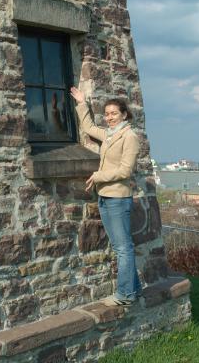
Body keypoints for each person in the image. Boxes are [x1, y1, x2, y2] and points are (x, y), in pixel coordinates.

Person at [70, 86, 142, 306]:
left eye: (114, 113)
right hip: (105, 197)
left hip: (118, 199)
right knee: (121, 246)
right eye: (107, 113)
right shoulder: (110, 135)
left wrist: (99, 176)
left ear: (124, 115)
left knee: (123, 248)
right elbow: (89, 127)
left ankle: (125, 295)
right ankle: (135, 289)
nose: (109, 117)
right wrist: (82, 102)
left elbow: (125, 170)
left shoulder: (129, 137)